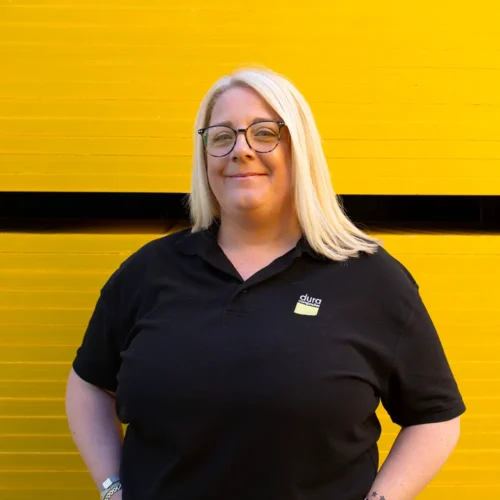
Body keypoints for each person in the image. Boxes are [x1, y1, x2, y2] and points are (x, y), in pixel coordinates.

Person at [65, 66, 465, 500]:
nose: (241, 150)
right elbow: (89, 384)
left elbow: (435, 416)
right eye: (222, 137)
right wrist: (113, 489)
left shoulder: (371, 280)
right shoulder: (149, 272)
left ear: (300, 148)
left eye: (264, 133)